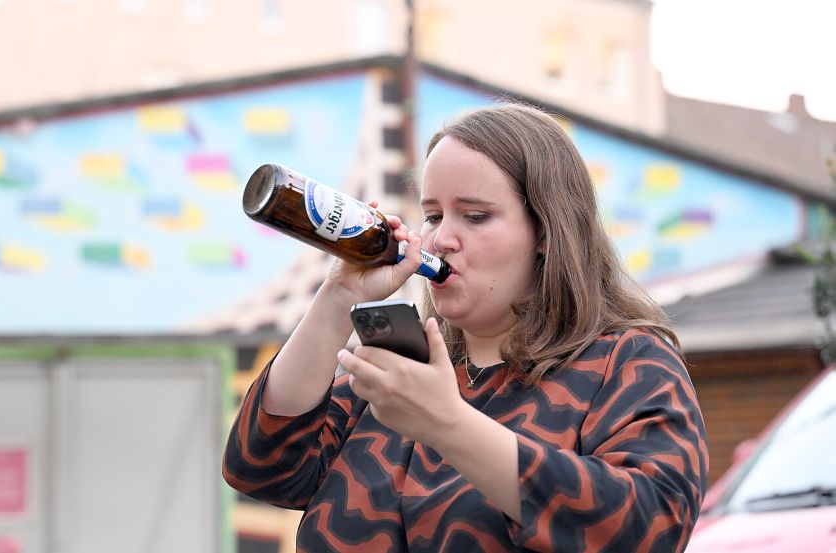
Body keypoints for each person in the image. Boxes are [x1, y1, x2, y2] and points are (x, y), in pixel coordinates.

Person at [223, 103, 709, 552]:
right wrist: (338, 297)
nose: (441, 238)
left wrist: (448, 425)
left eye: (475, 216)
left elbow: (651, 527)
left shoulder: (625, 361)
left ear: (547, 231)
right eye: (432, 215)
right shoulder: (402, 371)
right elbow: (262, 467)